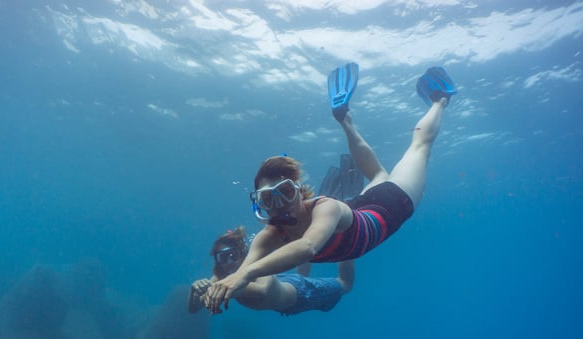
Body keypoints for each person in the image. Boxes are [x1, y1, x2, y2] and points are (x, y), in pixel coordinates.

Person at [205, 64, 456, 313]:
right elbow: (244, 275)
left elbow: (306, 248)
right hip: (362, 207)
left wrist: (245, 273)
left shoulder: (326, 207)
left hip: (391, 204)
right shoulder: (268, 237)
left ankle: (440, 99)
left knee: (419, 147)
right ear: (258, 203)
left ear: (299, 190)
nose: (279, 204)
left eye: (285, 192)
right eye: (268, 199)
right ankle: (345, 120)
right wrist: (222, 285)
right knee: (378, 173)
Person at [188, 227, 354, 315]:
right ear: (217, 261)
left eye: (233, 255)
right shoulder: (221, 277)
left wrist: (225, 289)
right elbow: (194, 309)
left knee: (345, 284)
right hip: (282, 289)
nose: (229, 262)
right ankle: (303, 240)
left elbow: (262, 290)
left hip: (300, 292)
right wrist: (194, 290)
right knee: (301, 274)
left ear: (243, 254)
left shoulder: (256, 264)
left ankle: (345, 234)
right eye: (223, 258)